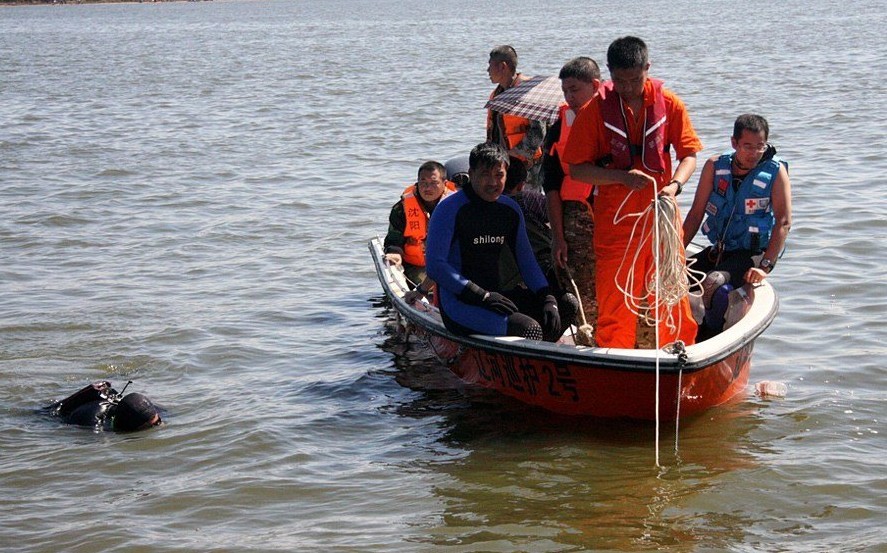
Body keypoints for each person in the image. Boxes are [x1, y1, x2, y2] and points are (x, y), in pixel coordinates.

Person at [562, 36, 702, 349]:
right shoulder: (596, 111)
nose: (627, 87)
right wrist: (619, 177)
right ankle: (616, 355)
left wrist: (675, 185)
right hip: (616, 220)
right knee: (614, 300)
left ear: (647, 69)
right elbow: (577, 169)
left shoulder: (670, 104)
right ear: (610, 74)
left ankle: (680, 351)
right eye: (619, 81)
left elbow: (689, 154)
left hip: (661, 215)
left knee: (671, 293)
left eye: (634, 80)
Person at [425, 143, 572, 342]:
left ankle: (539, 360)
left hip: (497, 298)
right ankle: (528, 356)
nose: (493, 182)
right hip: (460, 302)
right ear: (471, 173)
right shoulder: (449, 209)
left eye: (499, 175)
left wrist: (547, 296)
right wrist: (481, 296)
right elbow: (435, 267)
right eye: (485, 174)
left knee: (566, 304)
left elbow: (526, 262)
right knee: (529, 330)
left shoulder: (509, 210)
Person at [682, 114, 792, 332]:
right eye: (747, 146)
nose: (754, 153)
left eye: (760, 146)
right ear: (734, 143)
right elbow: (695, 214)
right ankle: (681, 328)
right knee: (675, 278)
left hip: (752, 253)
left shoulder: (775, 171)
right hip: (720, 249)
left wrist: (765, 267)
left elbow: (784, 221)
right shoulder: (715, 166)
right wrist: (675, 253)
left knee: (713, 283)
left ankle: (708, 336)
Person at [541, 56, 602, 330]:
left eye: (575, 89)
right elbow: (551, 186)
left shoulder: (617, 122)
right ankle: (589, 341)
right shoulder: (558, 128)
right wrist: (557, 237)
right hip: (575, 218)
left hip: (614, 215)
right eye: (565, 90)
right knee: (580, 291)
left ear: (596, 86)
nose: (569, 96)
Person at [383, 161, 455, 301]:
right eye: (423, 182)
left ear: (444, 183)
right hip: (416, 266)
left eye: (433, 183)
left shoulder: (457, 205)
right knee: (427, 288)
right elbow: (393, 239)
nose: (427, 188)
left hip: (451, 264)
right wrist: (395, 253)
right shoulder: (402, 208)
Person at [486, 45, 546, 188]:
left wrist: (515, 153)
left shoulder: (528, 91)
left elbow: (538, 132)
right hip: (503, 164)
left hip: (528, 167)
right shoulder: (497, 94)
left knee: (527, 205)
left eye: (490, 66)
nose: (487, 70)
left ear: (502, 66)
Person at [48, 380, 162, 432]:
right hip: (52, 418)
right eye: (155, 424)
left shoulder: (137, 408)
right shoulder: (92, 421)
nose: (160, 425)